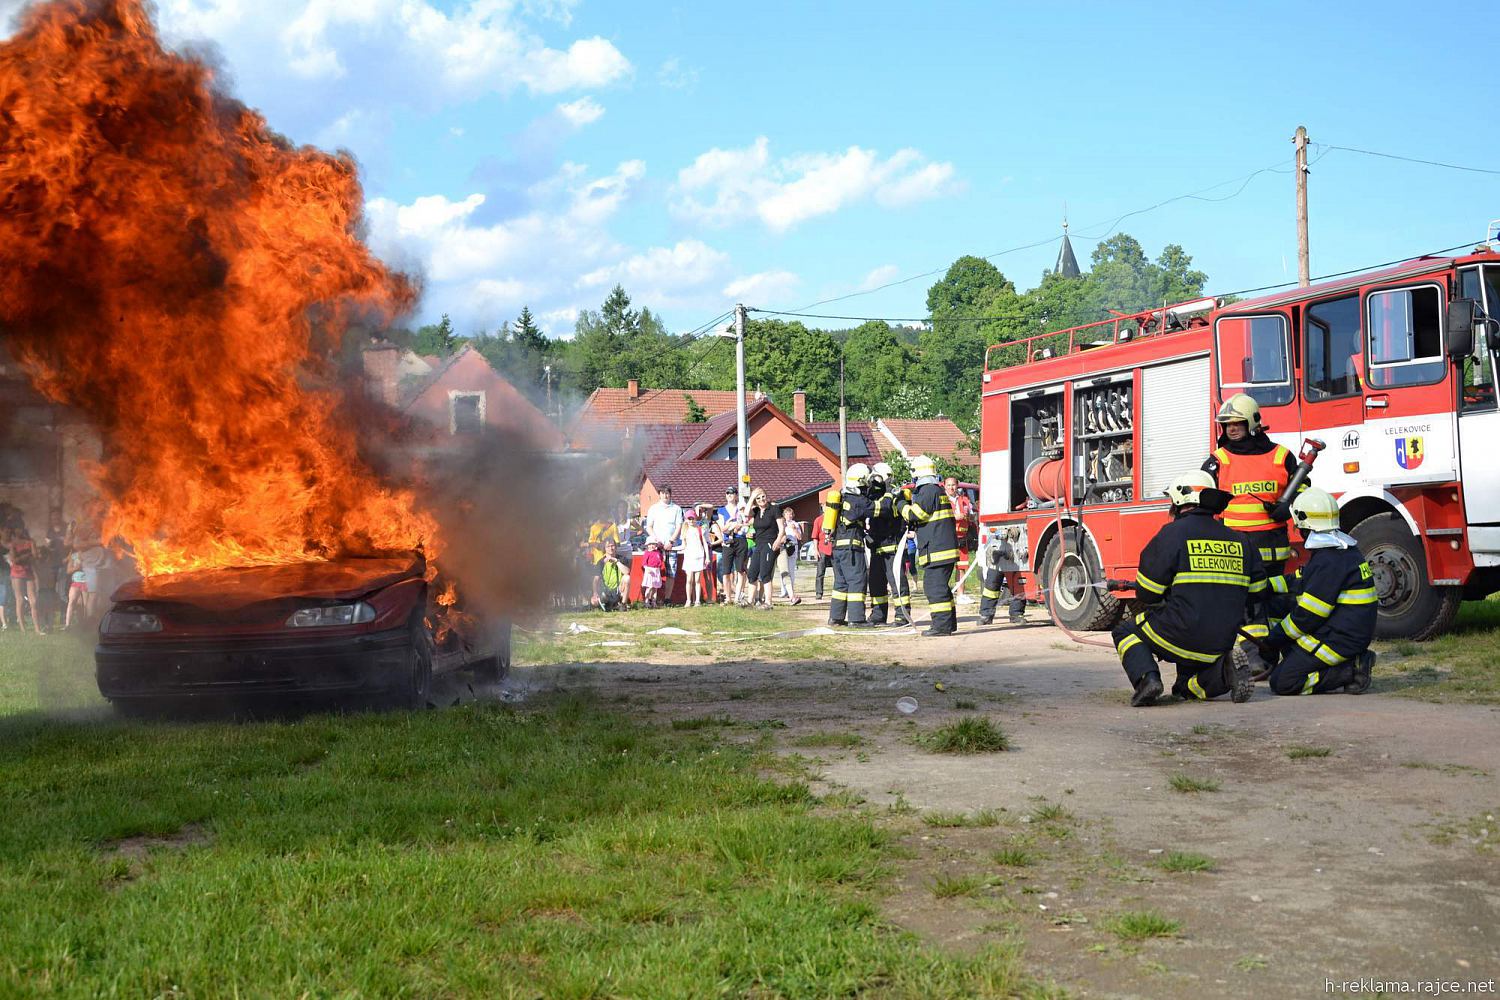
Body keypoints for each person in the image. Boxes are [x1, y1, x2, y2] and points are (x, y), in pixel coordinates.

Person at [1112, 470, 1265, 707]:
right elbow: (1257, 592)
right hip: (1222, 639)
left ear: (1180, 501)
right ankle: (1225, 671)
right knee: (1185, 688)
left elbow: (1148, 593)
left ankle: (1147, 680)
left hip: (1180, 633)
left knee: (1125, 631)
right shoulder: (1241, 540)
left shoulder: (1172, 533)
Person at [1257, 488, 1377, 696]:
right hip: (1344, 629)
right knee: (1276, 605)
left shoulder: (1328, 561)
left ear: (1304, 525)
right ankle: (1302, 659)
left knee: (1283, 682)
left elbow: (1308, 616)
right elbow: (1300, 581)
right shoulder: (1342, 550)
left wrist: (1273, 639)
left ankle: (1351, 670)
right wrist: (1262, 586)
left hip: (1339, 639)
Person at [1202, 393, 1302, 577]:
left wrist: (1289, 506)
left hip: (1273, 550)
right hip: (1234, 550)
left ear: (1252, 422)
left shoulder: (1281, 456)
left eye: (1237, 423)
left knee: (1275, 599)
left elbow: (1302, 488)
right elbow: (1201, 500)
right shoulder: (1219, 460)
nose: (1231, 429)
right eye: (1227, 425)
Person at [896, 455, 960, 636]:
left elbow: (916, 515)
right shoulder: (935, 490)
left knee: (934, 588)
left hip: (937, 550)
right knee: (942, 588)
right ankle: (948, 624)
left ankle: (941, 627)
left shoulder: (928, 491)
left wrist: (900, 503)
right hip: (942, 548)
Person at [826, 464, 874, 626]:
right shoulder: (858, 500)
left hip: (838, 548)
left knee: (841, 583)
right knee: (857, 581)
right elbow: (874, 509)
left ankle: (836, 617)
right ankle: (856, 619)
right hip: (851, 549)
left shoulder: (842, 497)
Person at [866, 462, 905, 625]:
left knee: (896, 581)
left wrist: (888, 491)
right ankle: (878, 615)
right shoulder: (875, 493)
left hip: (891, 545)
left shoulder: (895, 494)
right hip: (877, 545)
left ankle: (902, 615)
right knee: (876, 582)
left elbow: (885, 508)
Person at [978, 526, 1028, 626]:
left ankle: (1016, 613)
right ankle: (986, 614)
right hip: (997, 545)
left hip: (1016, 546)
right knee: (992, 582)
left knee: (1018, 582)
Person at [745, 488, 780, 609]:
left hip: (770, 544)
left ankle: (768, 602)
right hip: (758, 544)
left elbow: (781, 528)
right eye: (758, 498)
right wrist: (752, 496)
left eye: (763, 497)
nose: (761, 500)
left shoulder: (774, 509)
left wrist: (778, 540)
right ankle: (750, 601)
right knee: (752, 573)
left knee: (765, 573)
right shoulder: (755, 511)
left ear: (767, 496)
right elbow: (745, 513)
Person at [8, 523, 45, 635]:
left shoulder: (30, 542)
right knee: (20, 600)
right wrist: (26, 556)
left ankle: (37, 629)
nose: (20, 531)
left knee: (33, 601)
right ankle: (23, 629)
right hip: (17, 572)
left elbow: (34, 555)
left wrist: (33, 553)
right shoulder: (13, 544)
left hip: (28, 571)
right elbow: (14, 560)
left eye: (21, 528)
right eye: (17, 528)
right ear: (15, 531)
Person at [645, 486, 685, 585]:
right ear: (659, 494)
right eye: (663, 493)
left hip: (671, 546)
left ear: (670, 494)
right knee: (654, 571)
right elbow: (649, 527)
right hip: (656, 546)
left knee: (671, 573)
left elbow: (678, 527)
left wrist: (671, 541)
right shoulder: (653, 508)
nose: (665, 495)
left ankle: (667, 599)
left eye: (667, 493)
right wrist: (656, 540)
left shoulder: (677, 509)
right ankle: (654, 598)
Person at [715, 488, 748, 605]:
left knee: (740, 570)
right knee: (726, 571)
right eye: (727, 493)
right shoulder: (721, 510)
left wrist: (736, 525)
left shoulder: (741, 508)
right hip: (728, 542)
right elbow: (722, 528)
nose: (729, 495)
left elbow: (745, 524)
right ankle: (728, 597)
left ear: (736, 495)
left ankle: (738, 596)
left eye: (732, 493)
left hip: (740, 540)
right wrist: (731, 525)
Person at [945, 476, 976, 574]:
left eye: (953, 485)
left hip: (962, 537)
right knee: (946, 568)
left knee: (961, 567)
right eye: (948, 485)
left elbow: (972, 517)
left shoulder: (964, 500)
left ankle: (960, 590)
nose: (951, 488)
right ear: (944, 486)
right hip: (947, 537)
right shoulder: (942, 500)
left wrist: (970, 516)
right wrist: (955, 517)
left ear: (957, 485)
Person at [773, 507, 803, 605]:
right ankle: (783, 591)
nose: (789, 516)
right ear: (784, 515)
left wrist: (794, 529)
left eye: (790, 514)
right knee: (783, 569)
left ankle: (791, 590)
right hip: (783, 546)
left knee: (791, 569)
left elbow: (799, 537)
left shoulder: (795, 524)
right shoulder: (781, 523)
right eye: (787, 514)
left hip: (792, 547)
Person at [680, 509, 710, 607]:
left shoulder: (700, 529)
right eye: (689, 519)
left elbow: (705, 544)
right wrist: (672, 548)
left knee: (697, 580)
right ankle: (688, 600)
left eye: (692, 518)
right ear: (686, 519)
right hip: (689, 556)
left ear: (695, 518)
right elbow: (683, 545)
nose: (691, 521)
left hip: (699, 556)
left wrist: (707, 557)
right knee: (689, 579)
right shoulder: (684, 530)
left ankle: (697, 600)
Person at [591, 539, 627, 611]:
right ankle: (607, 604)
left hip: (618, 589)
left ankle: (623, 605)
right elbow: (595, 580)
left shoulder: (621, 559)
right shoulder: (601, 562)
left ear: (616, 547)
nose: (611, 548)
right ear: (604, 548)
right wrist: (595, 593)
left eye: (612, 546)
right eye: (608, 546)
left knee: (627, 578)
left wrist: (616, 561)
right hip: (605, 590)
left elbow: (627, 572)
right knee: (593, 602)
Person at [810, 506, 833, 601]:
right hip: (822, 549)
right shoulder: (818, 520)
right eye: (825, 507)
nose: (827, 509)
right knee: (820, 573)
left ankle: (838, 592)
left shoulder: (834, 519)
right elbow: (815, 537)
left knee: (838, 572)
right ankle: (819, 593)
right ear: (822, 509)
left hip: (834, 548)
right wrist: (816, 550)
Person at [641, 542, 666, 609]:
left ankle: (654, 601)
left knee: (655, 588)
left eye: (653, 544)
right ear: (647, 545)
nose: (652, 546)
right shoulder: (647, 553)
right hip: (650, 570)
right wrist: (647, 568)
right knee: (649, 587)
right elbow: (644, 563)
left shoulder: (658, 552)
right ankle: (646, 601)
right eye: (650, 544)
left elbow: (661, 560)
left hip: (656, 570)